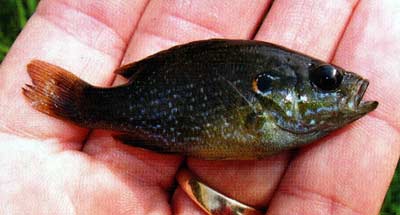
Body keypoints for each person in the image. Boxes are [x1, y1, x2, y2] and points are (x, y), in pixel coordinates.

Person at [0, 0, 398, 214]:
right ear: (270, 88)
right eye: (325, 80)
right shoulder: (264, 110)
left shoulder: (270, 113)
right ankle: (79, 102)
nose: (340, 87)